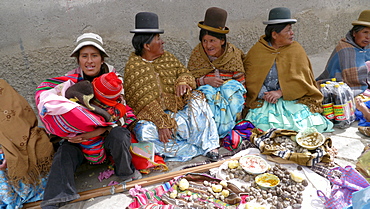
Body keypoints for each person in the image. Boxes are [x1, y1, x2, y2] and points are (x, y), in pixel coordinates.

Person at [35, 33, 141, 208]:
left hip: (105, 141)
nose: (89, 61)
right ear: (78, 60)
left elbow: (121, 114)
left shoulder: (113, 81)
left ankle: (125, 174)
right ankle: (55, 199)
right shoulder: (69, 83)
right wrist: (69, 134)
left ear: (101, 59)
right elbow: (61, 112)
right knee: (63, 153)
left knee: (120, 135)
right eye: (84, 56)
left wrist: (96, 131)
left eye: (94, 56)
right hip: (80, 144)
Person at [124, 12, 220, 162]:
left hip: (177, 111)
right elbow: (140, 102)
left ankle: (209, 146)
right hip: (151, 119)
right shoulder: (134, 66)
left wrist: (183, 82)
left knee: (198, 99)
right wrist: (161, 122)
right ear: (147, 45)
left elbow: (184, 73)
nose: (162, 42)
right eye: (158, 39)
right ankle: (191, 150)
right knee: (145, 133)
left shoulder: (168, 58)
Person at [244, 7, 334, 133]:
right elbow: (251, 78)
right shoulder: (258, 51)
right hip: (266, 99)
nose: (292, 33)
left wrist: (281, 92)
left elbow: (304, 81)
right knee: (261, 127)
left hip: (292, 98)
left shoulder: (296, 50)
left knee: (305, 125)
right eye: (288, 30)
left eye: (291, 29)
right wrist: (265, 95)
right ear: (274, 34)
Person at [187, 7, 247, 138]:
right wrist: (205, 81)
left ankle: (228, 129)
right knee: (205, 93)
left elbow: (241, 84)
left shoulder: (233, 54)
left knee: (232, 88)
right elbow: (189, 81)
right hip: (208, 104)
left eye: (212, 41)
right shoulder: (197, 55)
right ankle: (209, 133)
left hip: (229, 104)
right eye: (204, 41)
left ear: (222, 41)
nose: (208, 46)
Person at [0, 79, 54, 208]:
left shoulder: (2, 89)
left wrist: (6, 148)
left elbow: (18, 121)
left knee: (11, 157)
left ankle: (16, 197)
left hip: (18, 140)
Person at [316, 10, 370, 96]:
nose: (368, 37)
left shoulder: (368, 48)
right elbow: (334, 76)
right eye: (365, 32)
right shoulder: (344, 49)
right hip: (346, 90)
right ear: (354, 33)